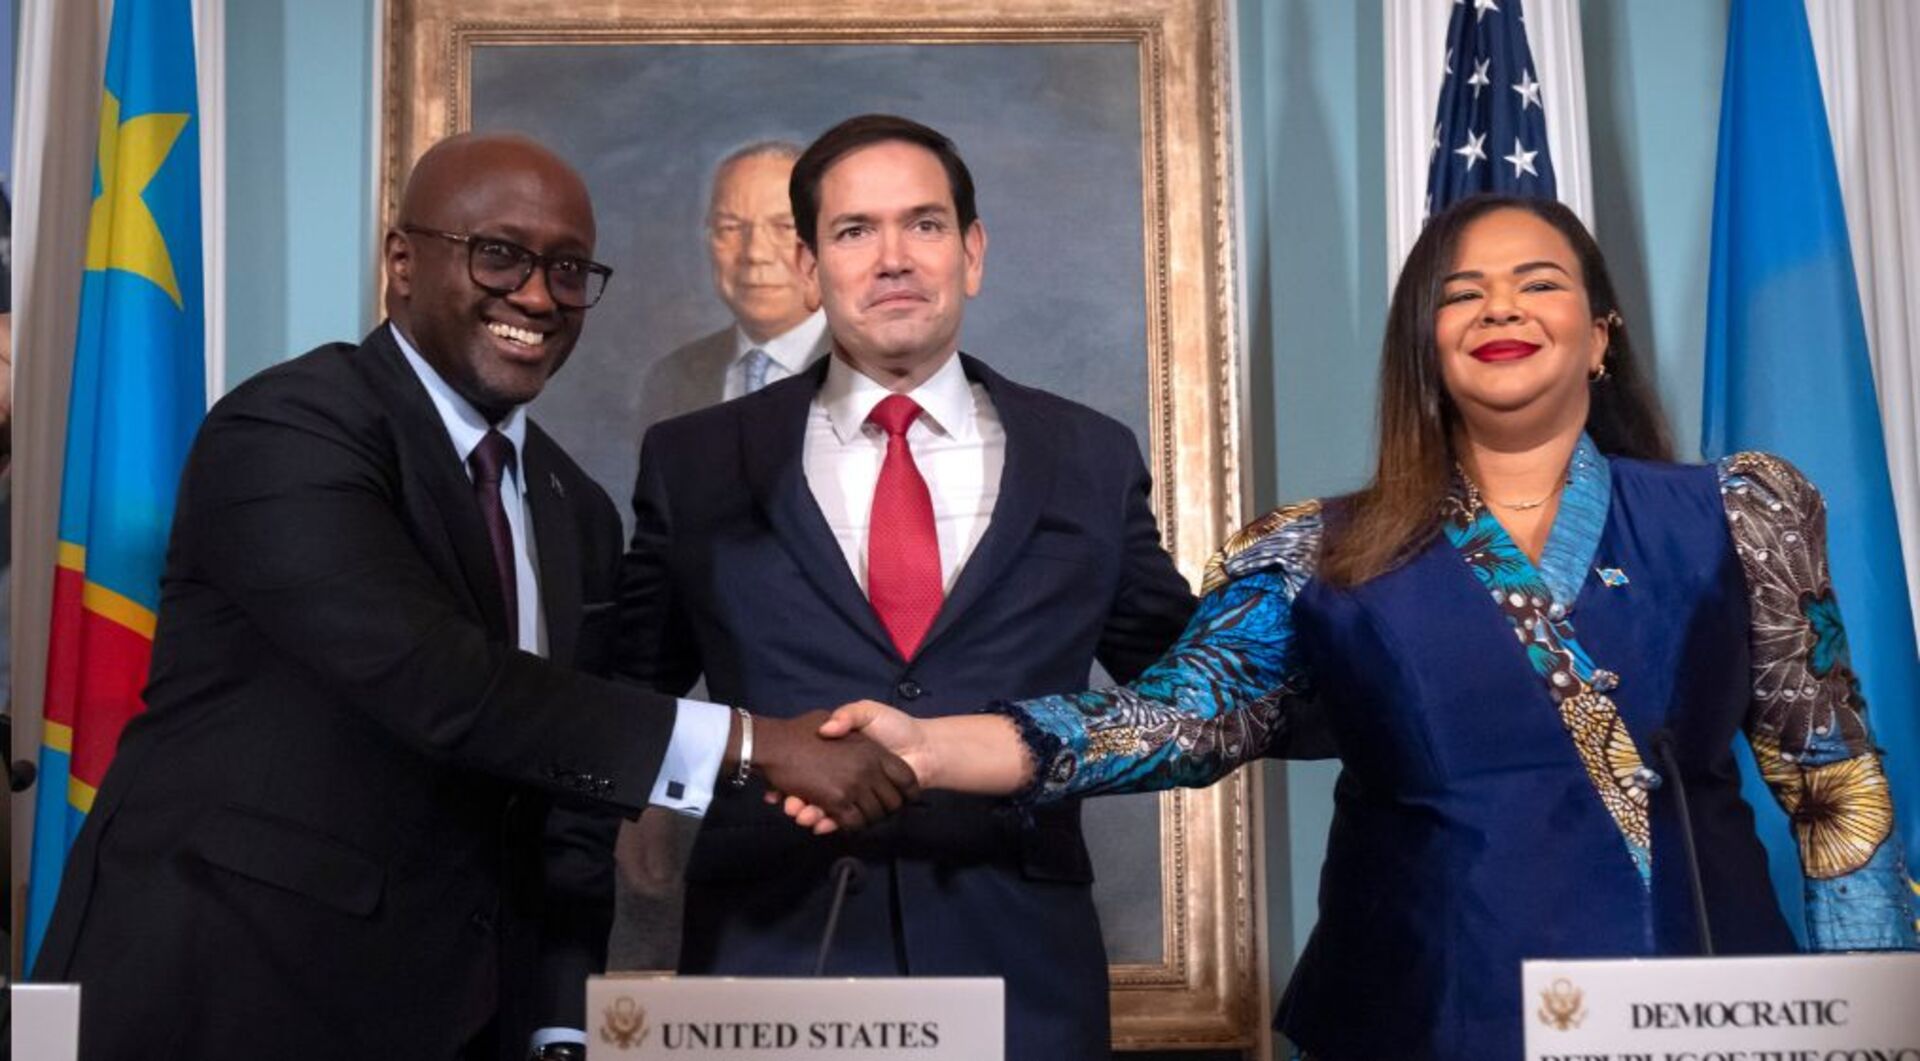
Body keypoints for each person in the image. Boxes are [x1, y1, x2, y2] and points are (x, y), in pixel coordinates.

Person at [805, 193, 1920, 1061]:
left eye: (1538, 284)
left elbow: (1837, 790)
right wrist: (930, 747)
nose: (1501, 310)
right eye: (1463, 294)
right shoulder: (1310, 553)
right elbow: (1177, 719)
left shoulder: (1741, 512)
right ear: (1424, 345)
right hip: (1422, 1011)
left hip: (1700, 1008)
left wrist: (1873, 1020)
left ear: (1599, 336)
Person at [30, 132, 914, 1061]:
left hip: (459, 1019)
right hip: (223, 996)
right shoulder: (290, 428)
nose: (536, 296)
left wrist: (563, 1018)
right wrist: (756, 745)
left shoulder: (576, 510)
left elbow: (566, 806)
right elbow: (441, 683)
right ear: (402, 262)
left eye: (568, 270)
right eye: (499, 255)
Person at [615, 114, 1197, 1061]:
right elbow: (619, 699)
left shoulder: (1089, 456)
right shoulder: (696, 461)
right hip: (769, 969)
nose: (893, 258)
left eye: (924, 224)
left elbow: (1190, 696)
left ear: (972, 252)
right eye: (855, 231)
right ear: (810, 269)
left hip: (1023, 983)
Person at [635, 140, 829, 430]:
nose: (755, 253)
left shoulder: (872, 366)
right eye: (731, 228)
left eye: (784, 227)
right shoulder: (672, 377)